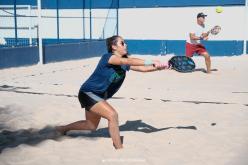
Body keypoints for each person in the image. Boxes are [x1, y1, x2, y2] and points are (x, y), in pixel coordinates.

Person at [56, 35, 168, 149]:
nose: (126, 45)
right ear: (113, 46)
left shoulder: (123, 63)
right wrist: (152, 61)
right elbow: (129, 60)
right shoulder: (108, 57)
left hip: (97, 95)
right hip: (88, 93)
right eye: (122, 43)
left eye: (125, 42)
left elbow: (142, 69)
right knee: (112, 115)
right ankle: (119, 148)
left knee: (91, 125)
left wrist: (160, 67)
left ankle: (62, 128)